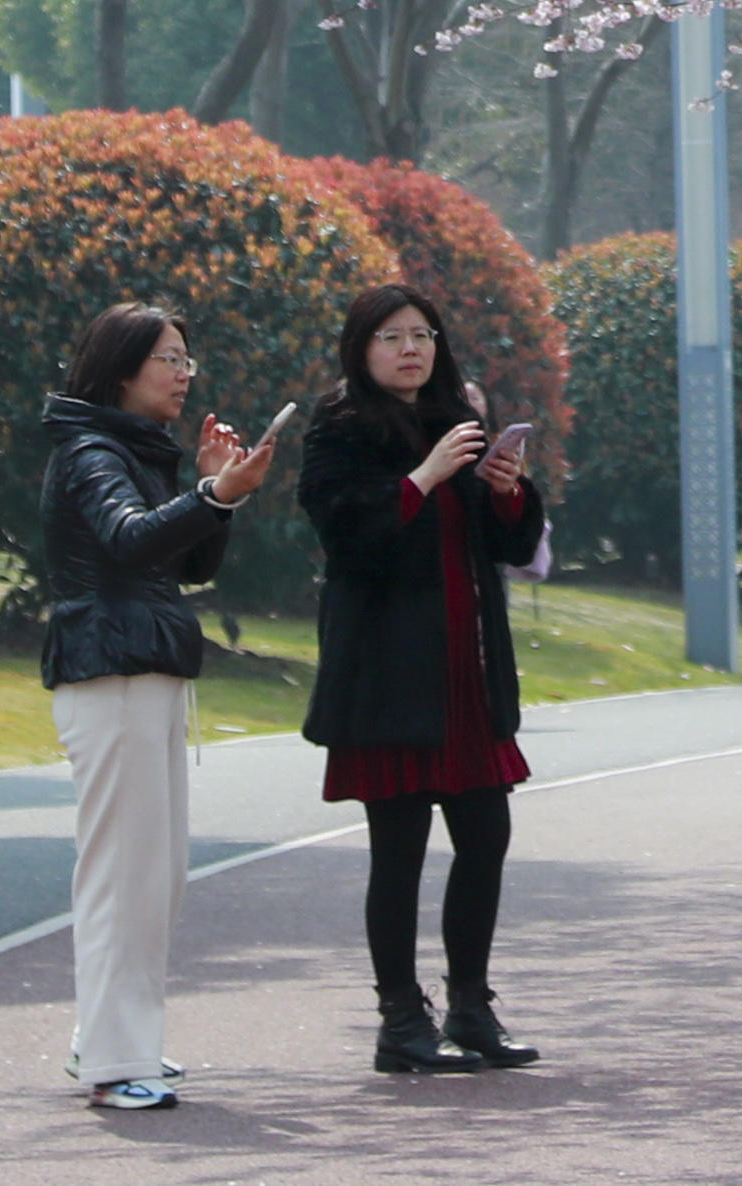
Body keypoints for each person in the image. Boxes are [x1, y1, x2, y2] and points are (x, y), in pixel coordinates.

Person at [300, 281, 550, 1076]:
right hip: (388, 677)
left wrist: (509, 495)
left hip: (468, 674)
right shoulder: (338, 429)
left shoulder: (461, 425)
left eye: (424, 335)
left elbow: (509, 545)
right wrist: (422, 477)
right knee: (398, 849)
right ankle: (401, 1019)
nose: (411, 349)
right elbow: (347, 537)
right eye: (392, 336)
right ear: (361, 349)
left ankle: (472, 1007)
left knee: (487, 836)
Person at [40, 304, 281, 1113]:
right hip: (110, 675)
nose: (185, 374)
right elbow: (130, 539)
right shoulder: (90, 451)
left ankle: (109, 1040)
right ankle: (115, 1063)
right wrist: (212, 492)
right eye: (169, 360)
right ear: (121, 370)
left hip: (145, 673)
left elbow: (189, 565)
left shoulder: (139, 450)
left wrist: (219, 491)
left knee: (158, 876)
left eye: (187, 359)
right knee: (124, 876)